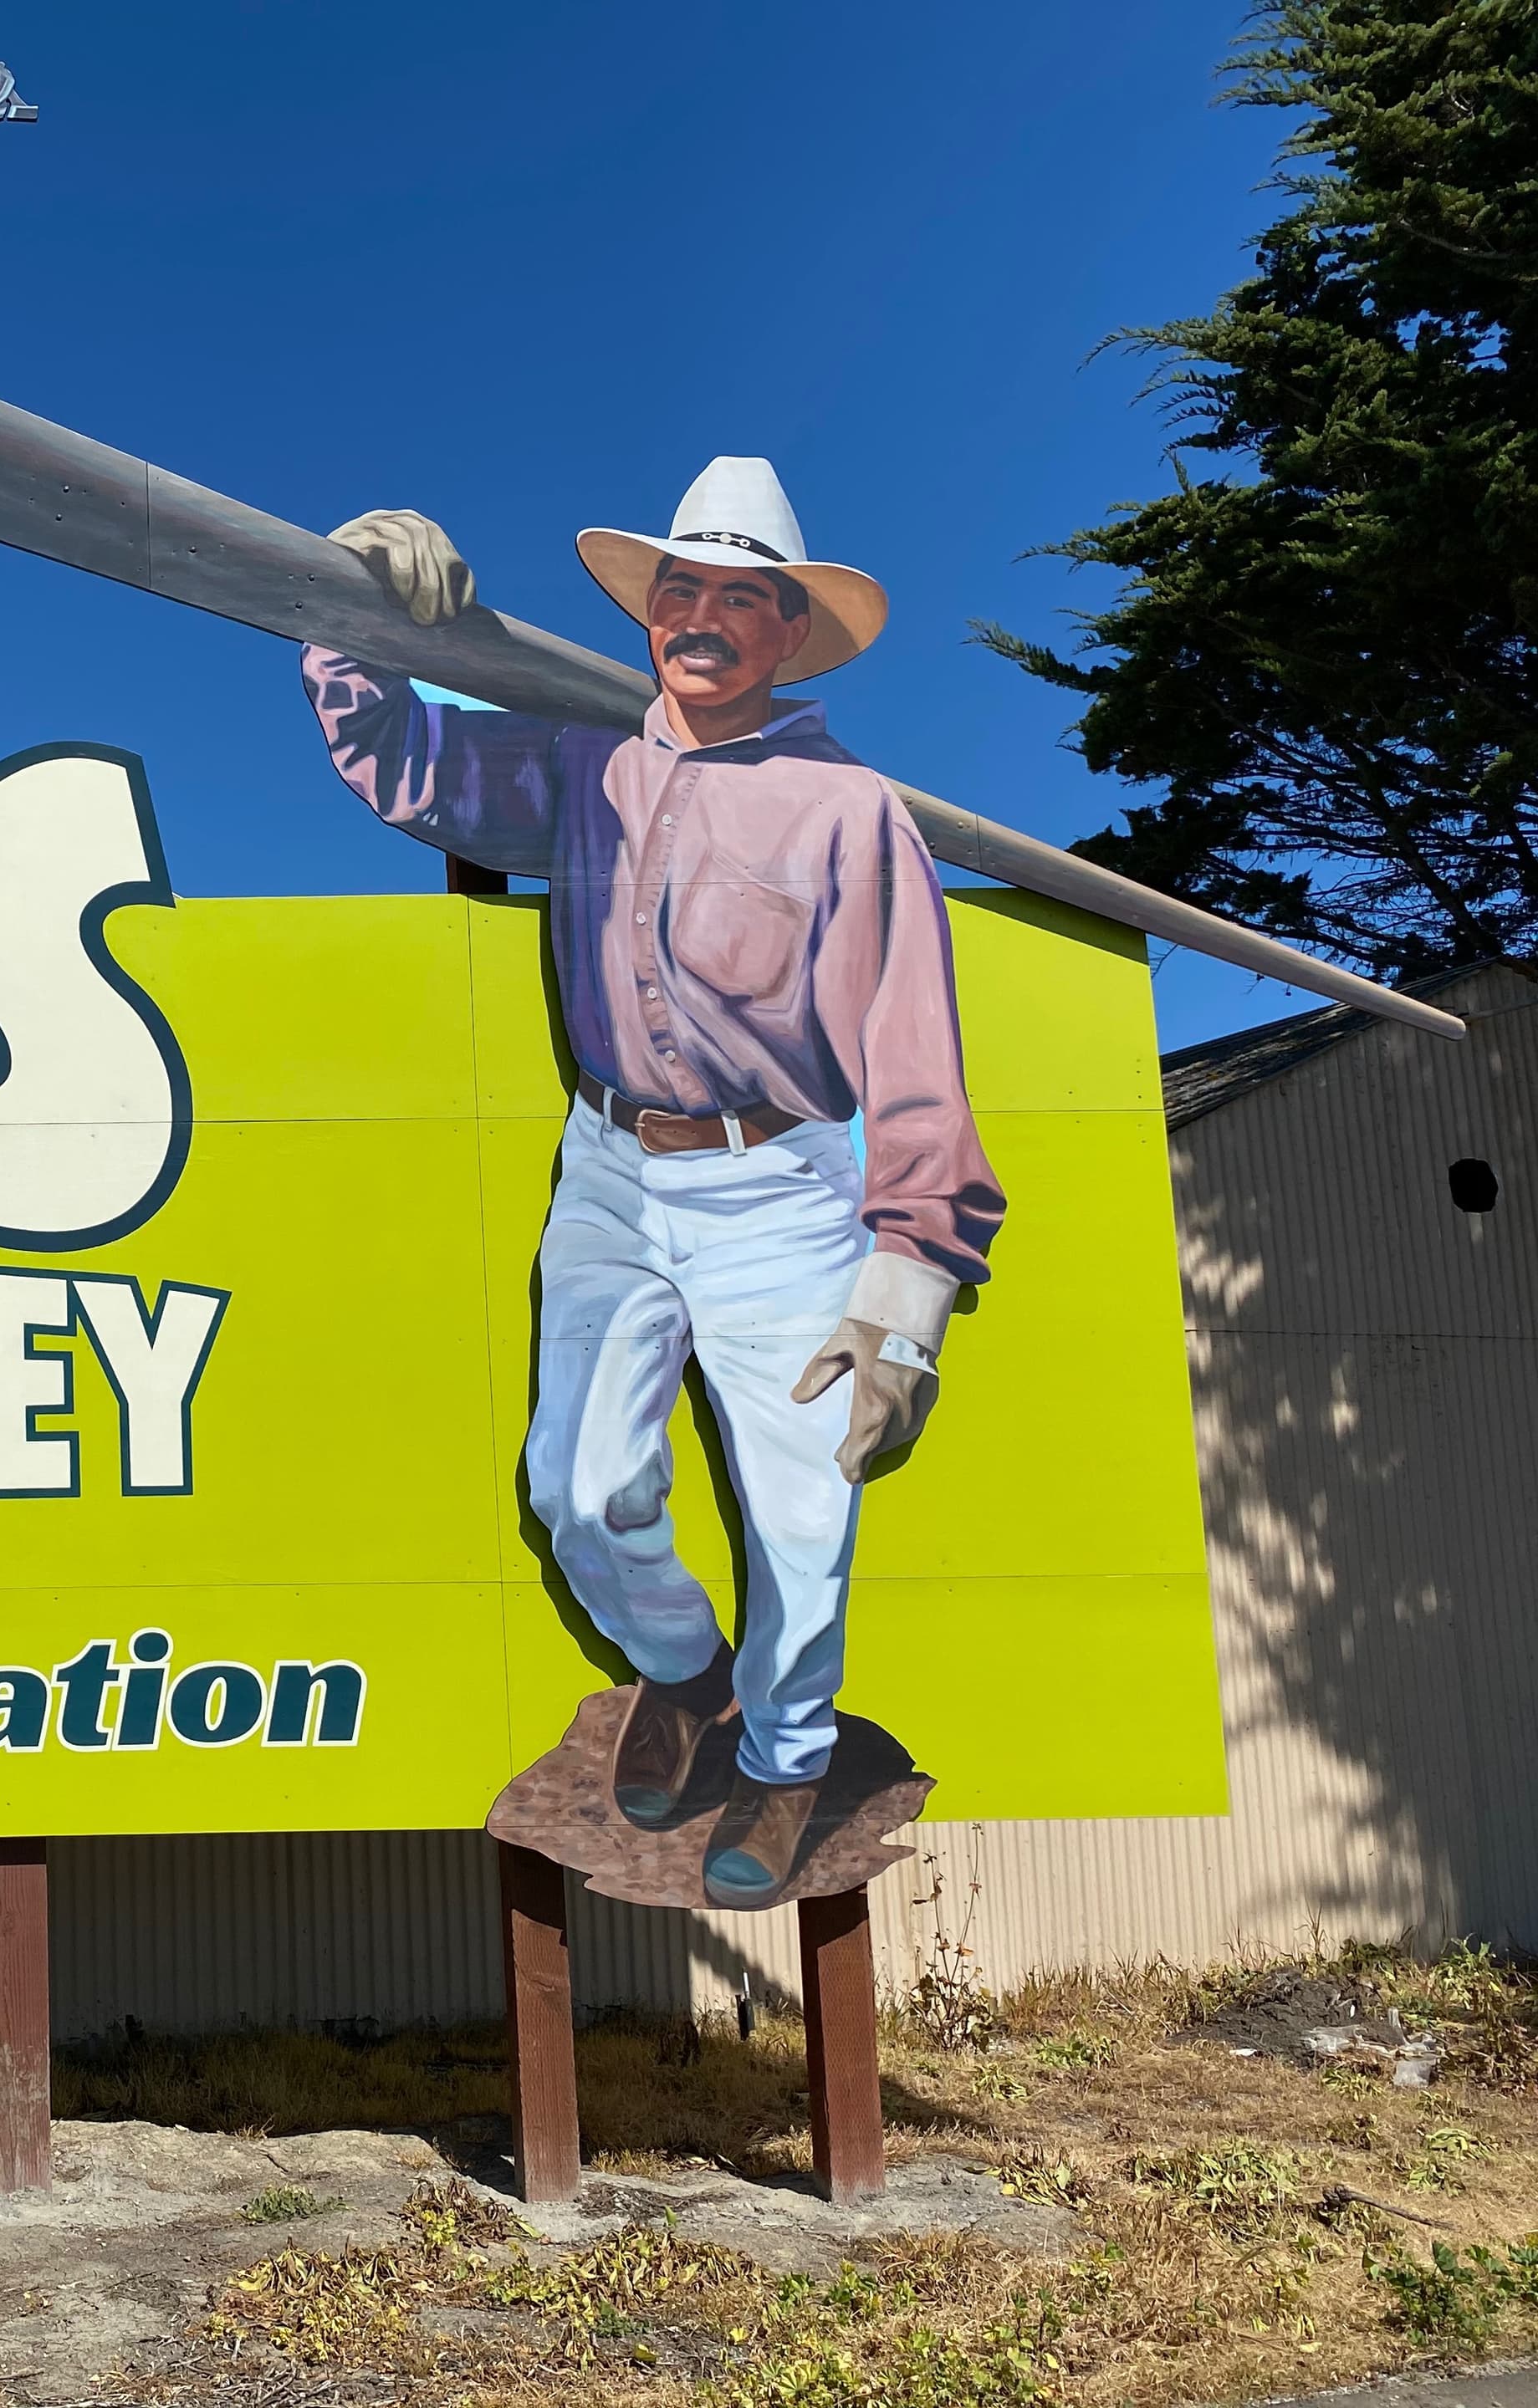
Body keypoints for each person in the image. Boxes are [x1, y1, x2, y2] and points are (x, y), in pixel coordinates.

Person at [304, 457, 1005, 1905]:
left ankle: (790, 1758)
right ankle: (686, 1676)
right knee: (580, 1485)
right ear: (650, 612)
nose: (701, 617)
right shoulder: (578, 763)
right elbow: (412, 767)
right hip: (611, 1171)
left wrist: (910, 1283)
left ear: (790, 634)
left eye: (741, 598)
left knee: (807, 1509)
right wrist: (350, 609)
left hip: (781, 1186)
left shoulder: (850, 814)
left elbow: (915, 1054)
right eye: (680, 588)